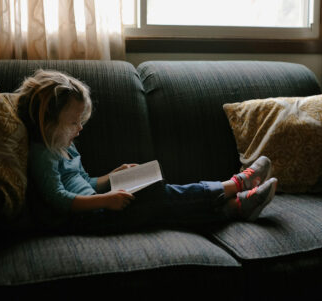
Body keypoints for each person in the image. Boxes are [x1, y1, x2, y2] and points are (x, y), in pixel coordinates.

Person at [16, 69, 278, 234]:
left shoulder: (65, 145)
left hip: (98, 208)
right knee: (159, 196)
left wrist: (111, 176)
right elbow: (59, 199)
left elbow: (85, 183)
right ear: (48, 122)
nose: (80, 128)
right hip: (87, 220)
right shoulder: (43, 154)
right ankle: (235, 185)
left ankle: (236, 207)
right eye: (73, 122)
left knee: (161, 203)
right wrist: (106, 200)